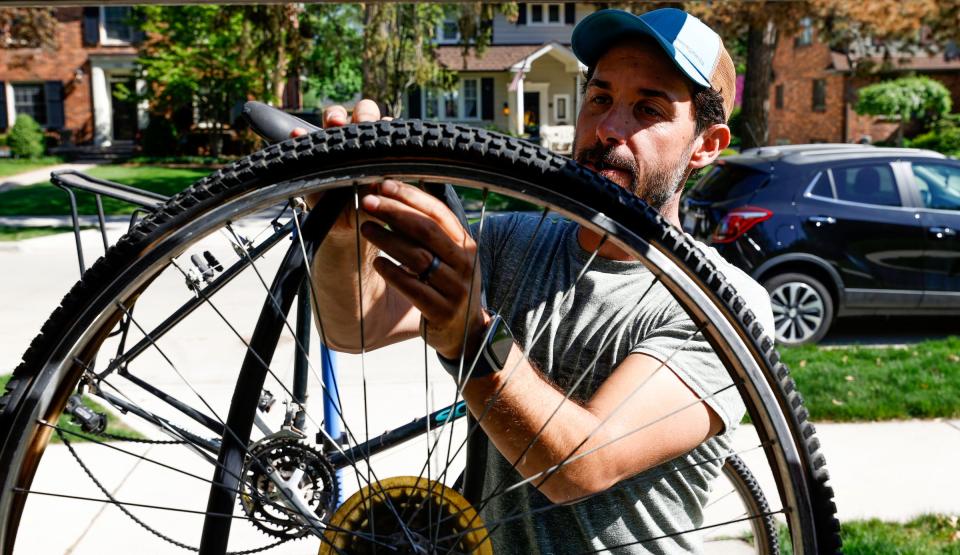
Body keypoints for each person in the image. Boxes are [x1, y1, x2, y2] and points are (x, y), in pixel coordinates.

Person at [303, 7, 775, 554]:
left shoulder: (721, 303)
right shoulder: (509, 242)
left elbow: (581, 465)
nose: (608, 130)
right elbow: (356, 326)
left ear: (706, 144)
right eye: (600, 98)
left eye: (648, 109)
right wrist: (344, 233)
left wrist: (472, 340)